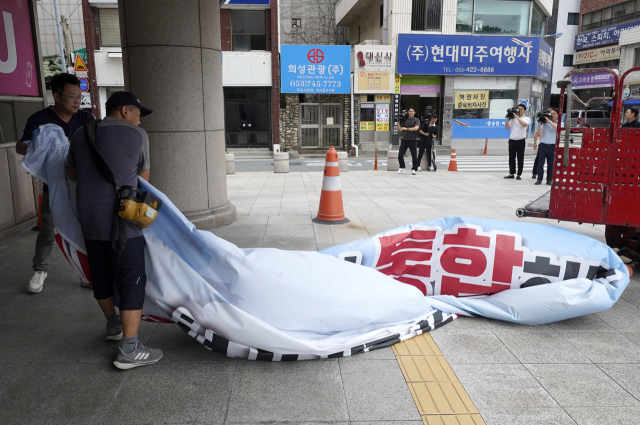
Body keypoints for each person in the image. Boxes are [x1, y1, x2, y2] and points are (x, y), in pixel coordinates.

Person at [67, 91, 162, 370]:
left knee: (100, 274)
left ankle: (113, 326)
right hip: (124, 220)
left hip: (88, 218)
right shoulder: (137, 135)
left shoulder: (82, 132)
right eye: (137, 114)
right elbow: (143, 179)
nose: (139, 120)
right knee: (131, 278)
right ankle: (130, 349)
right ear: (124, 111)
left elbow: (72, 174)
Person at [15, 73, 95, 294]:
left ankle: (87, 274)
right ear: (57, 96)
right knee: (48, 230)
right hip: (54, 186)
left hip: (83, 186)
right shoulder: (39, 119)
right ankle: (40, 271)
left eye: (80, 96)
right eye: (72, 97)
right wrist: (46, 143)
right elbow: (20, 147)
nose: (78, 101)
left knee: (88, 230)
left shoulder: (86, 120)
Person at [504, 103, 531, 180]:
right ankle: (511, 173)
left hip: (521, 140)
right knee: (511, 158)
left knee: (520, 158)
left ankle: (519, 174)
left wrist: (516, 116)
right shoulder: (512, 119)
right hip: (512, 140)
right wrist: (508, 118)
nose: (519, 111)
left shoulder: (527, 118)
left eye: (521, 109)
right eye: (518, 109)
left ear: (525, 110)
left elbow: (523, 124)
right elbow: (507, 128)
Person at [533, 108, 558, 186]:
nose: (552, 115)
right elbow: (539, 132)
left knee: (550, 164)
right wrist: (540, 122)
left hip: (552, 145)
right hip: (543, 145)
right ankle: (539, 179)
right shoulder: (544, 123)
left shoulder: (560, 123)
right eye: (551, 113)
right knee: (540, 163)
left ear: (557, 114)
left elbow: (558, 129)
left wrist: (549, 121)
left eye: (554, 113)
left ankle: (549, 180)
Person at [397, 107, 421, 175]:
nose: (410, 112)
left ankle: (414, 169)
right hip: (404, 139)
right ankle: (402, 167)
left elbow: (416, 128)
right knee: (400, 155)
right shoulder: (405, 120)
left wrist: (407, 128)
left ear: (414, 112)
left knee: (414, 156)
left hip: (412, 140)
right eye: (409, 111)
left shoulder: (416, 120)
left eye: (412, 111)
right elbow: (400, 129)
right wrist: (398, 122)